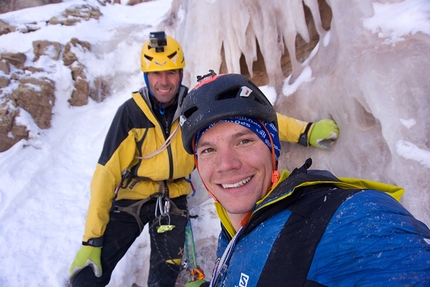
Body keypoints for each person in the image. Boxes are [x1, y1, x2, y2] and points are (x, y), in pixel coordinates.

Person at [68, 31, 339, 287]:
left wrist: (305, 132)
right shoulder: (131, 114)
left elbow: (252, 115)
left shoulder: (194, 105)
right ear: (146, 76)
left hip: (172, 199)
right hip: (133, 196)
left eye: (170, 72)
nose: (164, 81)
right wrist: (91, 239)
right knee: (90, 273)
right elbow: (106, 175)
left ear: (180, 73)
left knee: (163, 278)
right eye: (156, 74)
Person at [179, 72, 430, 287]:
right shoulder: (230, 231)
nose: (226, 165)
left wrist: (306, 132)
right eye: (208, 150)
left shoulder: (343, 217)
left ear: (272, 147)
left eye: (244, 141)